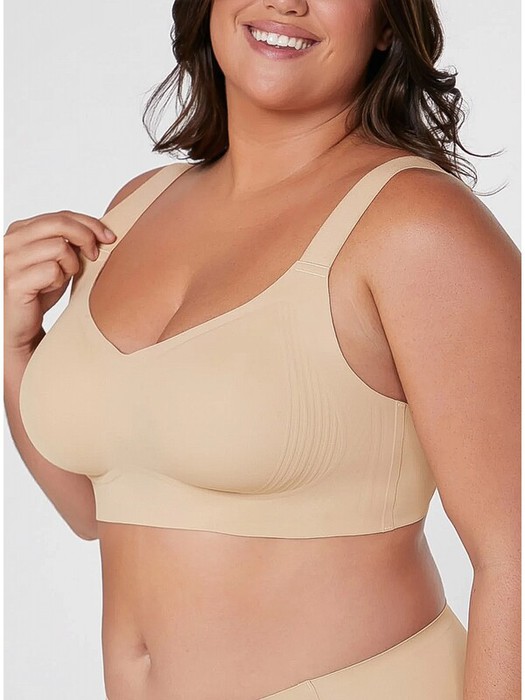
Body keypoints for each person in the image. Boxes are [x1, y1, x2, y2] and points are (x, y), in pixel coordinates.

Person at [4, 1, 520, 698]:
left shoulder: (419, 226)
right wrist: (16, 343)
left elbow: (513, 555)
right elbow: (97, 510)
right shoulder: (136, 207)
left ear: (387, 23)